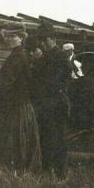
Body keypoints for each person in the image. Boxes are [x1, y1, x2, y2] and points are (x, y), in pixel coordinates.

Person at [0, 22, 41, 171]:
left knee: (10, 145)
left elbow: (6, 85)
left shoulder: (18, 57)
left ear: (21, 37)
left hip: (14, 108)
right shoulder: (20, 55)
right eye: (6, 36)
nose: (8, 39)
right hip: (18, 106)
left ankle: (9, 173)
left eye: (12, 36)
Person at [30, 23, 72, 175]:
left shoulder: (60, 57)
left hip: (56, 105)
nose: (42, 43)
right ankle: (48, 171)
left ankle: (60, 173)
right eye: (40, 40)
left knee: (57, 141)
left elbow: (54, 83)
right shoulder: (44, 58)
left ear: (53, 39)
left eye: (45, 39)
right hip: (46, 106)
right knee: (45, 140)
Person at [70, 52, 94, 131]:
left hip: (81, 122)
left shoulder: (78, 83)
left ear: (85, 67)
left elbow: (73, 102)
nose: (81, 67)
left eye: (82, 65)